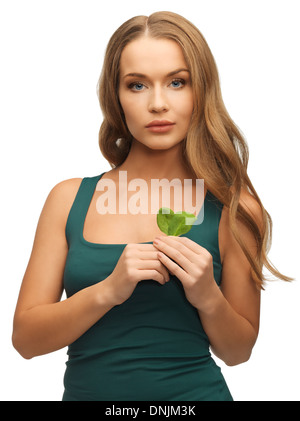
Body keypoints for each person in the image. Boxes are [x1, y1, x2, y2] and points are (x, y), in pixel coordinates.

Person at [12, 11, 291, 401]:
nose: (158, 104)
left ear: (201, 91)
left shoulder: (235, 207)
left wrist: (207, 293)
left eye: (177, 83)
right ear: (117, 95)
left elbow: (238, 352)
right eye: (138, 85)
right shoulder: (68, 199)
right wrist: (108, 290)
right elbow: (25, 340)